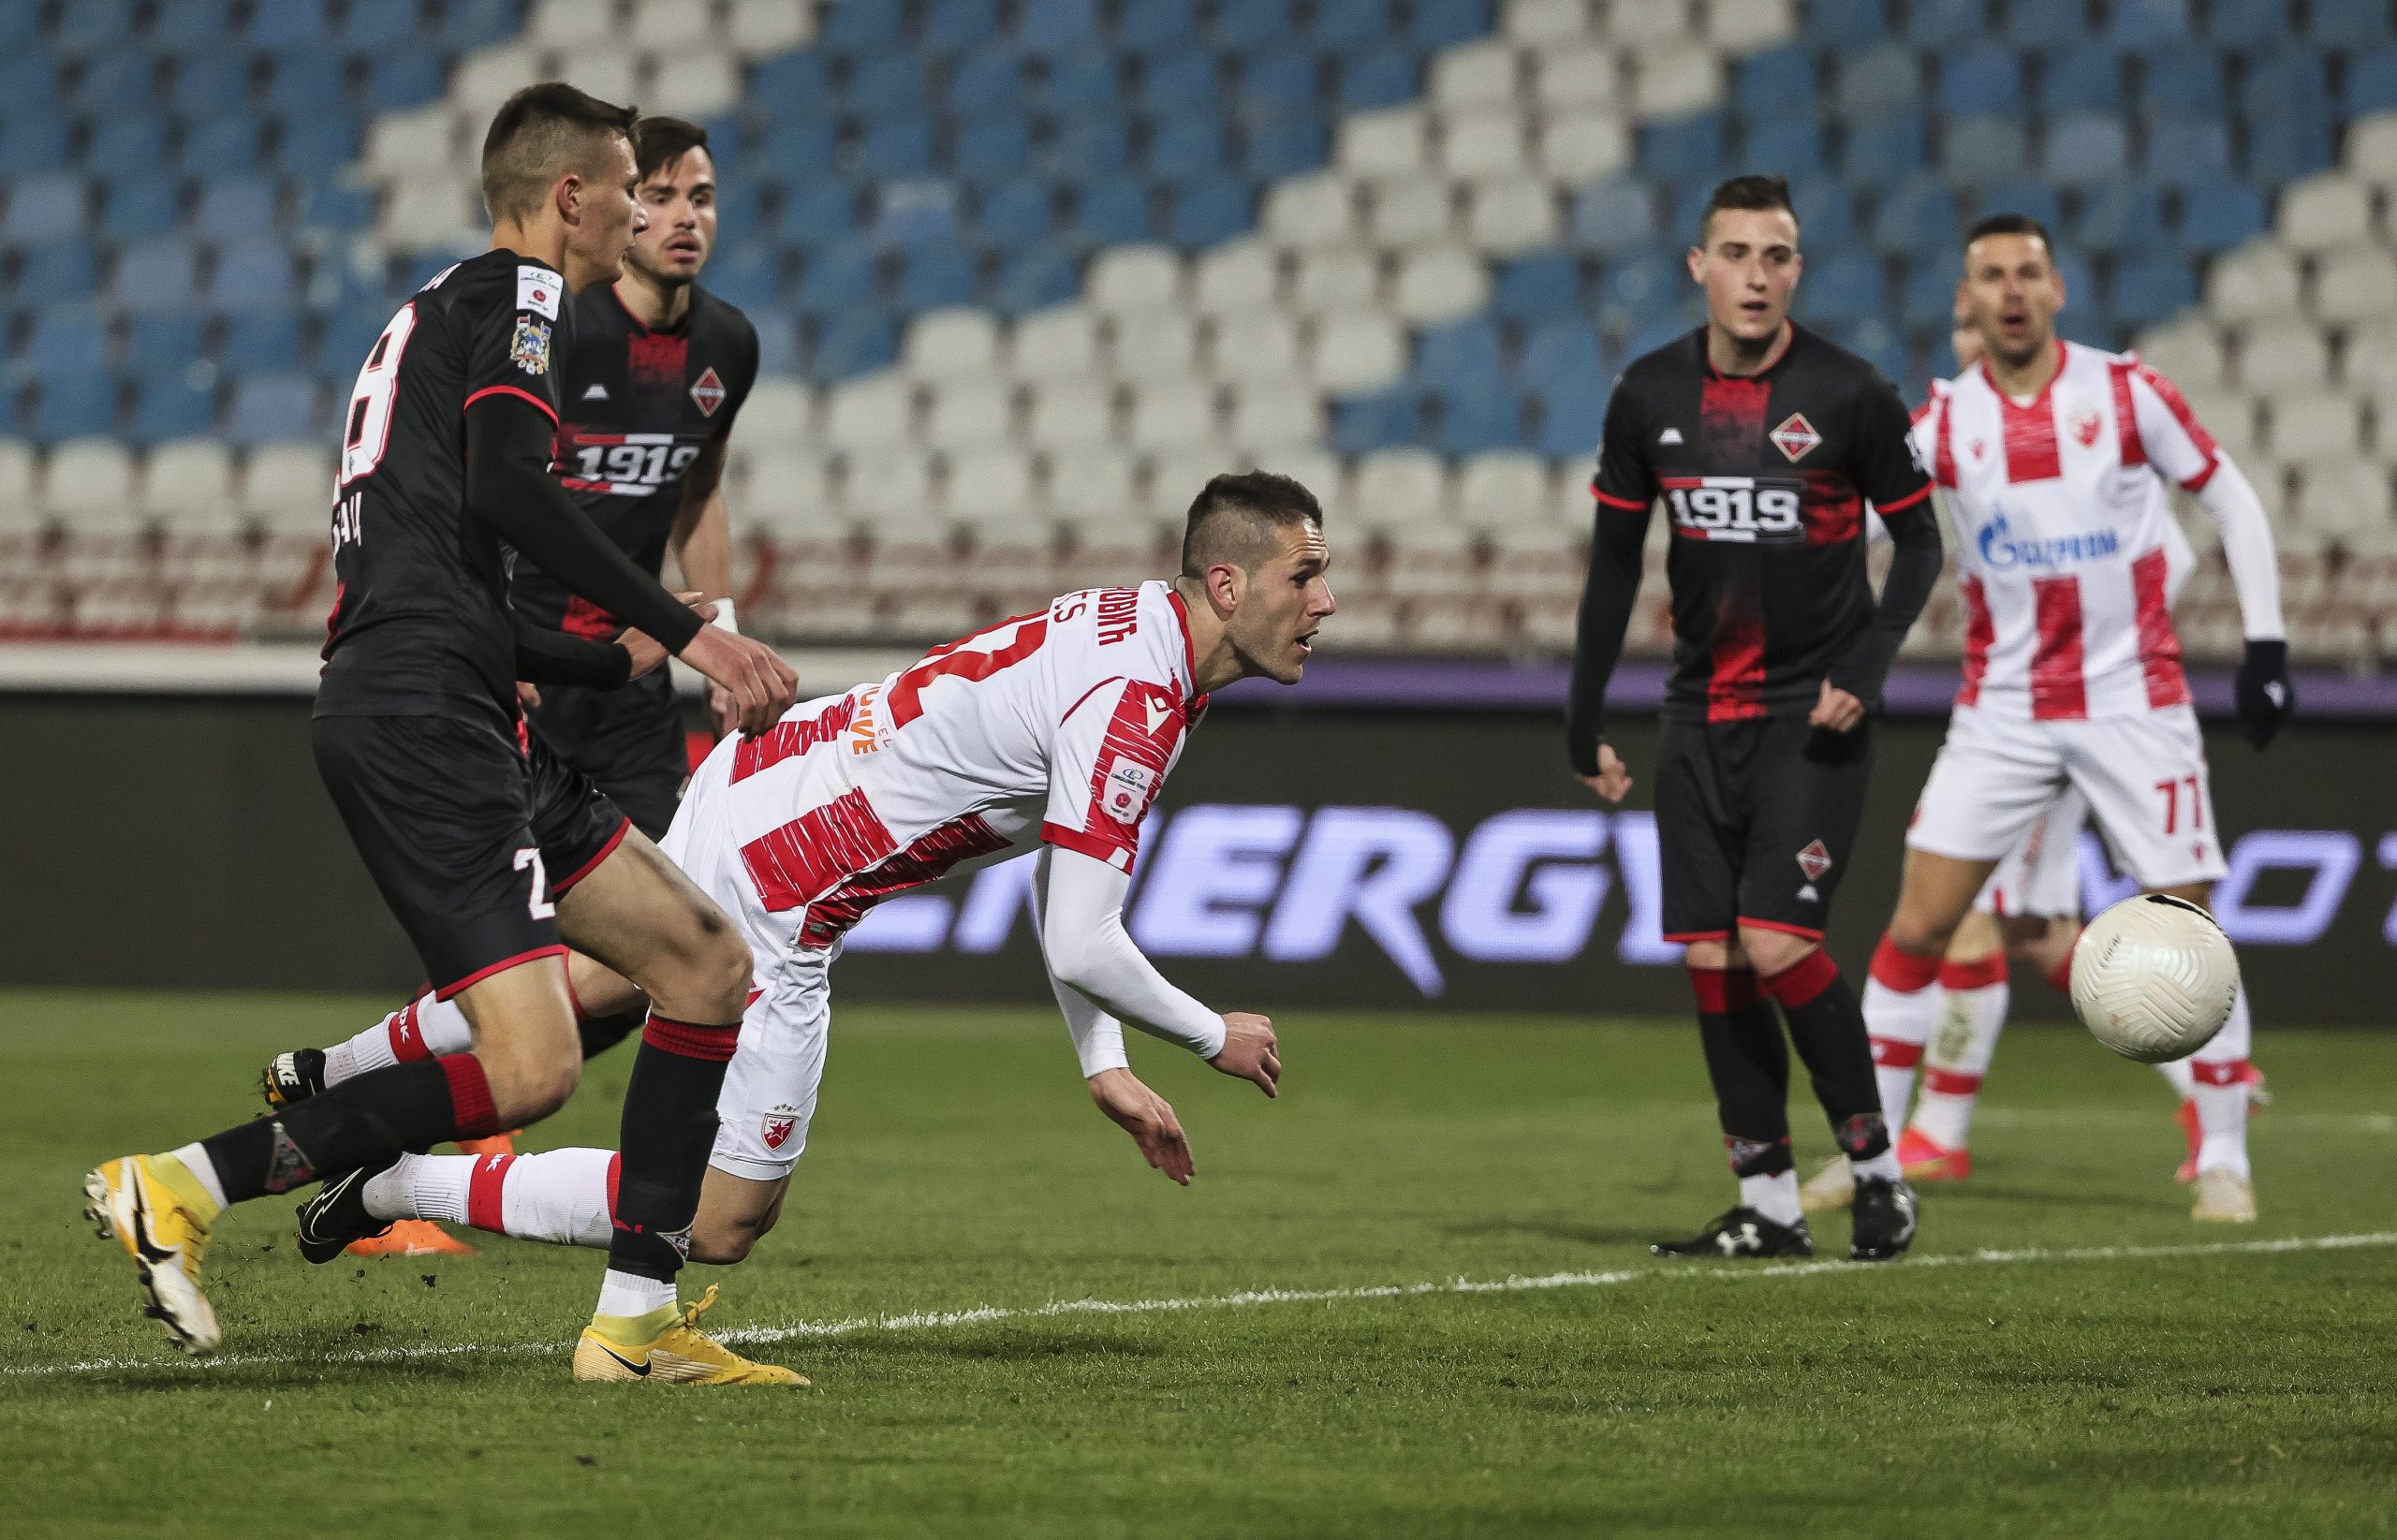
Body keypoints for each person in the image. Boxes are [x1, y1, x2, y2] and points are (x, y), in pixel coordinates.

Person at [82, 84, 804, 1383]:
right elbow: (506, 489)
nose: (650, 212)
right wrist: (696, 635)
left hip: (453, 694)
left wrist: (602, 652)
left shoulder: (433, 312)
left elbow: (441, 560)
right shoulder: (525, 299)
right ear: (574, 198)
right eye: (635, 188)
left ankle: (636, 1328)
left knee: (698, 961)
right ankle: (184, 1183)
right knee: (532, 1067)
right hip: (425, 716)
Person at [270, 473, 1331, 1320]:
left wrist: (1102, 1061)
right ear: (1228, 587)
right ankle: (394, 1188)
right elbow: (1083, 938)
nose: (1324, 602)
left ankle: (332, 1071)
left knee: (595, 981)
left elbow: (1065, 860)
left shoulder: (1139, 626)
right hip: (788, 884)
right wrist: (1207, 1035)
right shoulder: (1141, 697)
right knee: (723, 1215)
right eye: (1305, 574)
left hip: (766, 772)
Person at [320, 114, 759, 1259]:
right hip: (529, 659)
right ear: (600, 200)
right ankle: (437, 1149)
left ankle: (384, 1085)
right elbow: (500, 488)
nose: (679, 218)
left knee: (659, 946)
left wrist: (717, 625)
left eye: (701, 196)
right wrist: (506, 653)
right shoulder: (556, 314)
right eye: (654, 193)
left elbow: (699, 493)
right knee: (541, 942)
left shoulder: (727, 347)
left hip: (628, 682)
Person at [1857, 213, 2290, 1225]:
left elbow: (2231, 500)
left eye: (2027, 272)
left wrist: (2264, 647)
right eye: (1989, 276)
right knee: (1929, 922)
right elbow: (1857, 510)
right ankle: (1877, 1156)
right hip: (2003, 708)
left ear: (2055, 289)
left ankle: (2222, 1154)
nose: (2010, 291)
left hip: (2131, 699)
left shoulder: (2128, 393)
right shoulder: (1944, 421)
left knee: (2181, 927)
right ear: (1964, 299)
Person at [1567, 174, 1945, 1262]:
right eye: (1734, 253)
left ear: (1795, 270)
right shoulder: (1646, 394)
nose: (1755, 274)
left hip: (1810, 713)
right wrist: (1580, 714)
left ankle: (1875, 1170)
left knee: (1779, 941)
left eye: (1775, 255)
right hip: (1696, 714)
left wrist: (1868, 665)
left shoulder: (1850, 394)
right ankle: (1768, 1205)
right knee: (1712, 960)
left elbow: (1919, 544)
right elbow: (1610, 566)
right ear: (1699, 266)